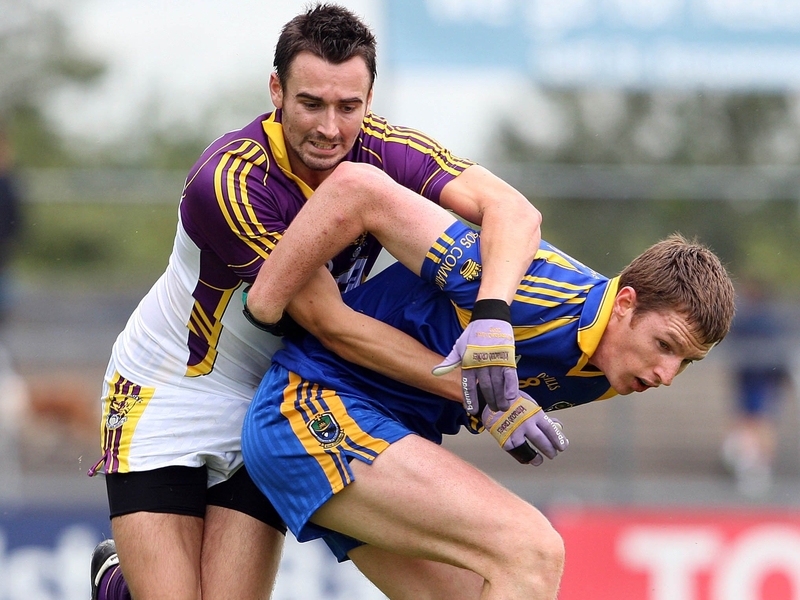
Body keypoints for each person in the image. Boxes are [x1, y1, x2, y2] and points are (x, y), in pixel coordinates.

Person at [87, 4, 541, 600]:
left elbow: (514, 212)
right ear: (276, 91)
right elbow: (330, 323)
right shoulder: (231, 179)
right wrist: (482, 392)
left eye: (348, 107)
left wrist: (492, 321)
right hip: (168, 390)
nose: (330, 128)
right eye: (311, 103)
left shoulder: (383, 149)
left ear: (369, 99)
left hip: (274, 391)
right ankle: (116, 581)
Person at [242, 205, 736, 598]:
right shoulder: (532, 287)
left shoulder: (617, 368)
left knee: (498, 585)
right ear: (625, 304)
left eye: (686, 362)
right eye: (665, 345)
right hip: (308, 408)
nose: (667, 374)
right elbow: (362, 187)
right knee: (532, 551)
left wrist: (490, 402)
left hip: (377, 433)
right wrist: (268, 293)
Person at [720, 278, 792, 496]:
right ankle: (748, 464)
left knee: (758, 422)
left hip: (762, 381)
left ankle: (757, 468)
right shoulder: (752, 320)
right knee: (750, 420)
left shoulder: (762, 321)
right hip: (750, 379)